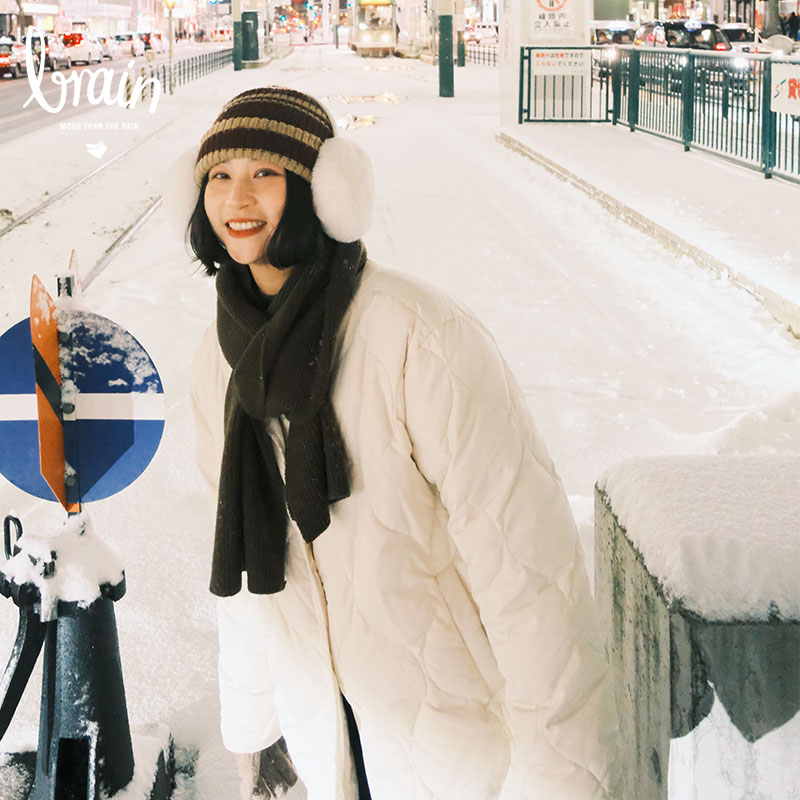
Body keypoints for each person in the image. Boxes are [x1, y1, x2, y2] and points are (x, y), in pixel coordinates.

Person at [177, 86, 621, 799]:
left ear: (325, 189)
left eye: (266, 172)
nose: (238, 197)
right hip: (326, 738)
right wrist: (254, 722)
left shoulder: (419, 335)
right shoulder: (218, 362)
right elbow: (245, 556)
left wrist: (562, 775)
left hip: (458, 739)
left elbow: (529, 572)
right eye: (219, 176)